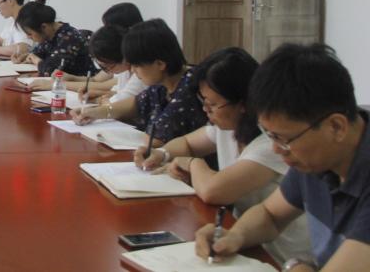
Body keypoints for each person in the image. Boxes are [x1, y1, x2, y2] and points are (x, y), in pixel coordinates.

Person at [196, 44, 370, 271]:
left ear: (336, 127)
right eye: (270, 135)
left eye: (282, 139)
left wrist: (296, 265)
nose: (277, 150)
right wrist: (235, 235)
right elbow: (270, 215)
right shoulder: (317, 156)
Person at [136, 47, 311, 264]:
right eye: (203, 102)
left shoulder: (272, 143)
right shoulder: (227, 127)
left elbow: (213, 191)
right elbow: (187, 143)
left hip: (281, 256)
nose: (206, 110)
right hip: (247, 243)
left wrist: (192, 164)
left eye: (213, 104)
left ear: (243, 104)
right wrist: (161, 154)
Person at [71, 18, 207, 144]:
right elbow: (136, 103)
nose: (133, 71)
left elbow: (157, 139)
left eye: (136, 65)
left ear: (160, 64)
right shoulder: (162, 85)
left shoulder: (189, 87)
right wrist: (94, 113)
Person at [43, 3, 145, 98]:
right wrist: (71, 78)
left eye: (109, 28)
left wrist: (57, 85)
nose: (106, 33)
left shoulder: (132, 64)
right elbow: (96, 80)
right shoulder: (120, 60)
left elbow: (105, 86)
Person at [12, 0, 94, 76]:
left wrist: (36, 60)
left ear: (43, 27)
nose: (28, 37)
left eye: (30, 34)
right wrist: (24, 57)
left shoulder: (69, 38)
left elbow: (53, 71)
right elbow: (37, 54)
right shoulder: (48, 35)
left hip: (81, 82)